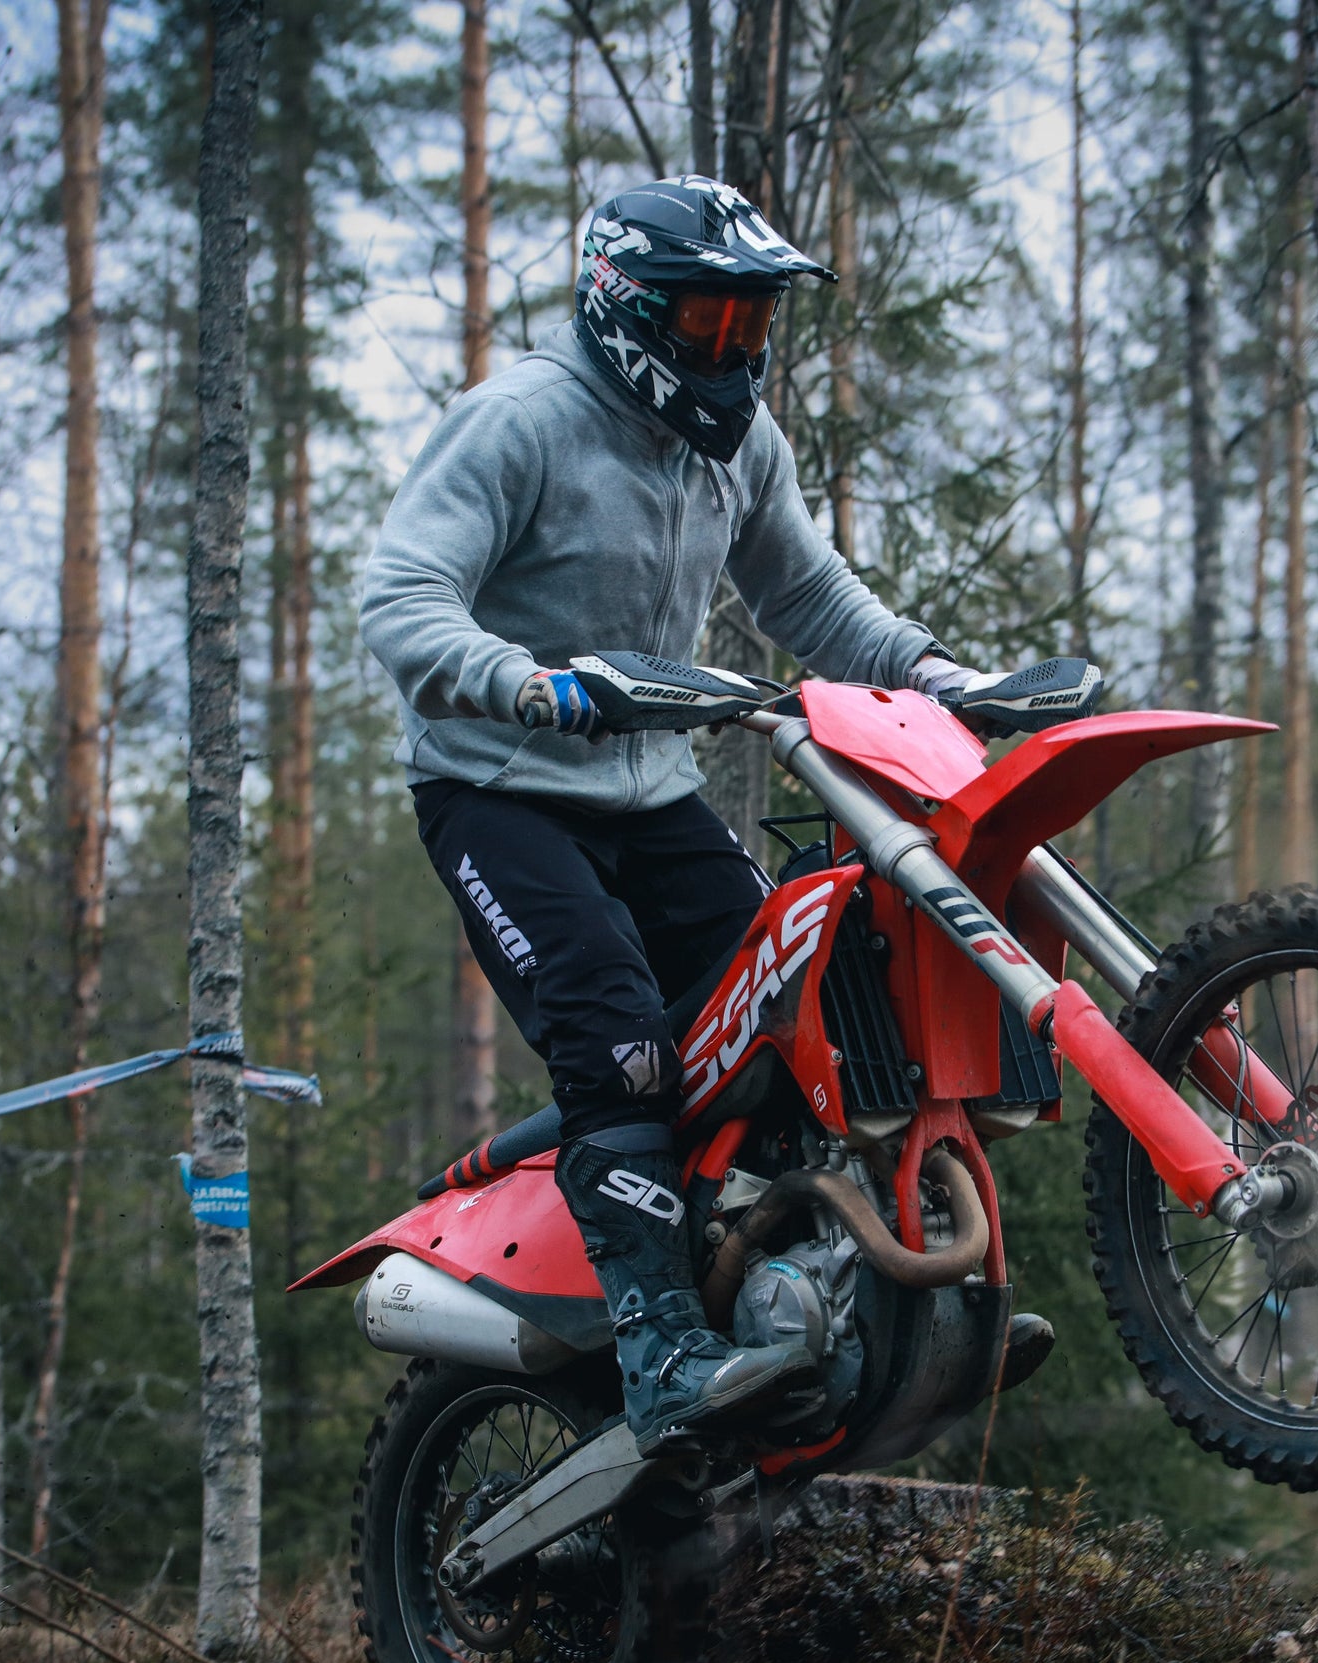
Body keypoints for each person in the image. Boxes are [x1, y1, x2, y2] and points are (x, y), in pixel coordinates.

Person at [361, 175, 1049, 1456]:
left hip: (651, 787)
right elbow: (401, 596)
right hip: (499, 790)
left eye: (752, 324)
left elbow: (810, 597)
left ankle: (846, 1305)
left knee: (798, 1008)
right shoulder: (520, 421)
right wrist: (527, 681)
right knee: (620, 1043)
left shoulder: (734, 442)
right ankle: (660, 1347)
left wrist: (936, 674)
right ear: (627, 306)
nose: (734, 350)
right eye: (710, 321)